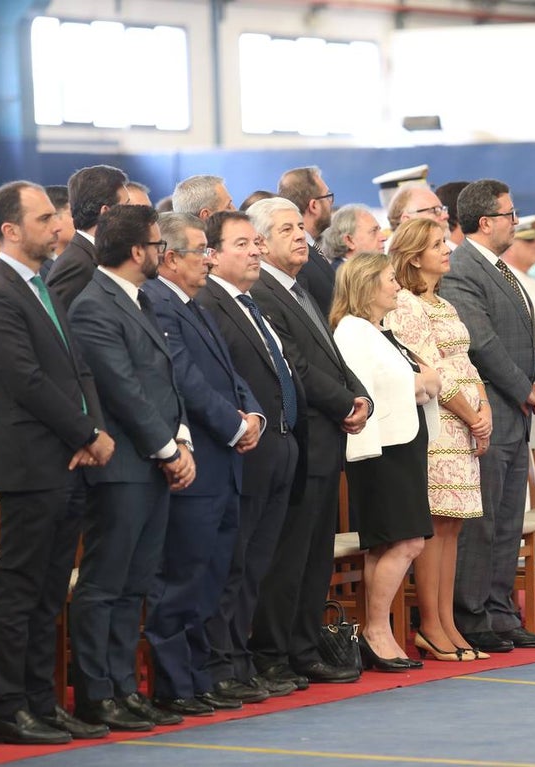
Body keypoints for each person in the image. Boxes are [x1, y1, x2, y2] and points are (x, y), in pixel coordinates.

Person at [0, 181, 114, 745]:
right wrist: (86, 433)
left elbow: (78, 369)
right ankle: (8, 710)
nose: (57, 226)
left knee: (51, 592)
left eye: (56, 216)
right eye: (44, 218)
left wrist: (91, 431)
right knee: (20, 591)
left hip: (68, 458)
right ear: (10, 230)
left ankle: (41, 702)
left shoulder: (40, 285)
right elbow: (26, 381)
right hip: (32, 463)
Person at [67, 204, 196, 731]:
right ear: (138, 250)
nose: (163, 253)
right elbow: (123, 389)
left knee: (134, 584)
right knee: (105, 583)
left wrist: (180, 438)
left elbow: (164, 380)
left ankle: (124, 687)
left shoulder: (137, 299)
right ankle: (96, 693)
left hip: (151, 463)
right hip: (121, 467)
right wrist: (169, 450)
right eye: (158, 244)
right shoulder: (93, 304)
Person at [140, 213, 264, 716]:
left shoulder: (196, 302)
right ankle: (175, 683)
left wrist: (252, 413)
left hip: (223, 461)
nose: (208, 260)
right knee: (182, 577)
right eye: (201, 251)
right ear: (170, 258)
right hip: (197, 462)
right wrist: (234, 426)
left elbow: (230, 374)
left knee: (212, 576)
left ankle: (199, 675)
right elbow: (183, 378)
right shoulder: (157, 302)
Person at [247, 196, 370, 687]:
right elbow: (295, 364)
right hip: (302, 439)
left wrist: (359, 395)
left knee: (315, 556)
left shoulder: (298, 289)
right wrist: (344, 403)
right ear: (260, 243)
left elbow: (332, 357)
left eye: (300, 226)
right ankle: (274, 653)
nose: (300, 235)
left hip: (326, 441)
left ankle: (303, 647)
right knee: (289, 557)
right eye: (286, 229)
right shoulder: (263, 293)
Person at [439, 178, 535, 653]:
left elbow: (524, 341)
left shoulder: (502, 270)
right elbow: (482, 343)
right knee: (482, 523)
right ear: (485, 222)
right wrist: (525, 389)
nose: (517, 221)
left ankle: (502, 612)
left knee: (508, 522)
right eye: (510, 214)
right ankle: (473, 615)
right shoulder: (462, 269)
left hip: (515, 413)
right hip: (489, 412)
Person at [198, 211, 304, 699]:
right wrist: (246, 422)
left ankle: (241, 660)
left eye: (256, 242)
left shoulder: (249, 303)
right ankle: (221, 663)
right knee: (232, 563)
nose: (256, 251)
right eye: (241, 244)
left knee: (257, 564)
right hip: (243, 449)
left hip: (277, 443)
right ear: (212, 254)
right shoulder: (210, 303)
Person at [385, 217, 493, 661]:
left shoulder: (443, 303)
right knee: (435, 524)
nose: (448, 249)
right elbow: (431, 368)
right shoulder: (406, 304)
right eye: (436, 245)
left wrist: (485, 409)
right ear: (414, 258)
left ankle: (448, 622)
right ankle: (430, 625)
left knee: (453, 526)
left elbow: (466, 362)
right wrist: (471, 415)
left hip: (465, 424)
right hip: (437, 425)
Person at [332, 251, 440, 669]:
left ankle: (378, 631)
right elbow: (366, 389)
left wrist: (422, 381)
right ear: (366, 285)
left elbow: (427, 377)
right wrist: (419, 382)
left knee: (394, 542)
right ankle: (375, 630)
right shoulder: (352, 331)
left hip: (402, 446)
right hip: (380, 451)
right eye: (389, 279)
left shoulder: (379, 331)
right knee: (405, 541)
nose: (397, 286)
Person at [47, 164, 132, 309]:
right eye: (126, 206)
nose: (132, 214)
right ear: (106, 212)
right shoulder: (76, 264)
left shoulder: (92, 254)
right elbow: (59, 317)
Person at [277, 166, 336, 312]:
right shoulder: (297, 257)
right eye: (327, 196)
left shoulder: (312, 248)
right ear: (314, 205)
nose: (331, 203)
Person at [320, 203, 387, 268]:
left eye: (379, 229)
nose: (384, 237)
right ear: (349, 241)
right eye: (374, 231)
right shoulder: (337, 275)